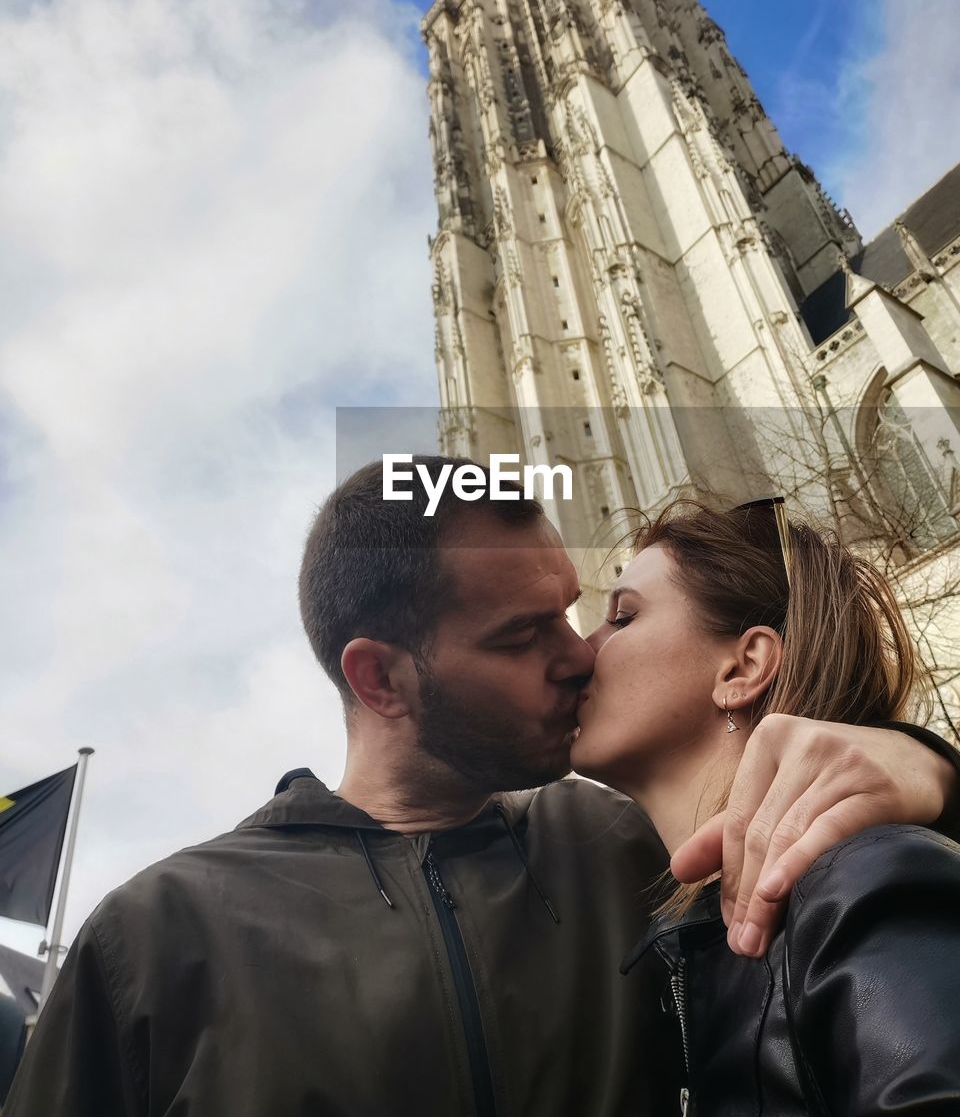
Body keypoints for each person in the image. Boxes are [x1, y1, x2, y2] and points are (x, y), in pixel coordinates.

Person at [7, 462, 960, 1117]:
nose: (577, 654)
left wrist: (925, 768)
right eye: (518, 637)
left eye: (580, 613)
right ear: (380, 679)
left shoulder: (639, 846)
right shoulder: (158, 935)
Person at [571, 498, 960, 1115]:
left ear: (744, 666)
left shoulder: (860, 884)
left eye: (621, 619)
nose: (578, 651)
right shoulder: (695, 934)